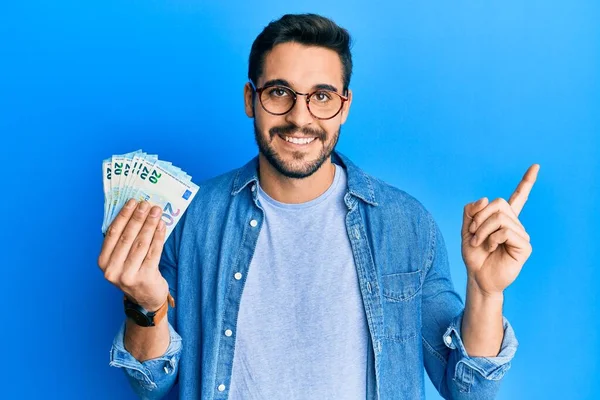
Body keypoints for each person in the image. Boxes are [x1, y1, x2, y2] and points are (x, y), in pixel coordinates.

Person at [99, 13, 539, 400]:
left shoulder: (406, 224)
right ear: (251, 99)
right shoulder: (195, 219)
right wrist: (145, 306)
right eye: (279, 92)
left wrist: (486, 291)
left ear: (344, 106)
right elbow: (150, 384)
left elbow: (470, 391)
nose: (300, 117)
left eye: (322, 96)